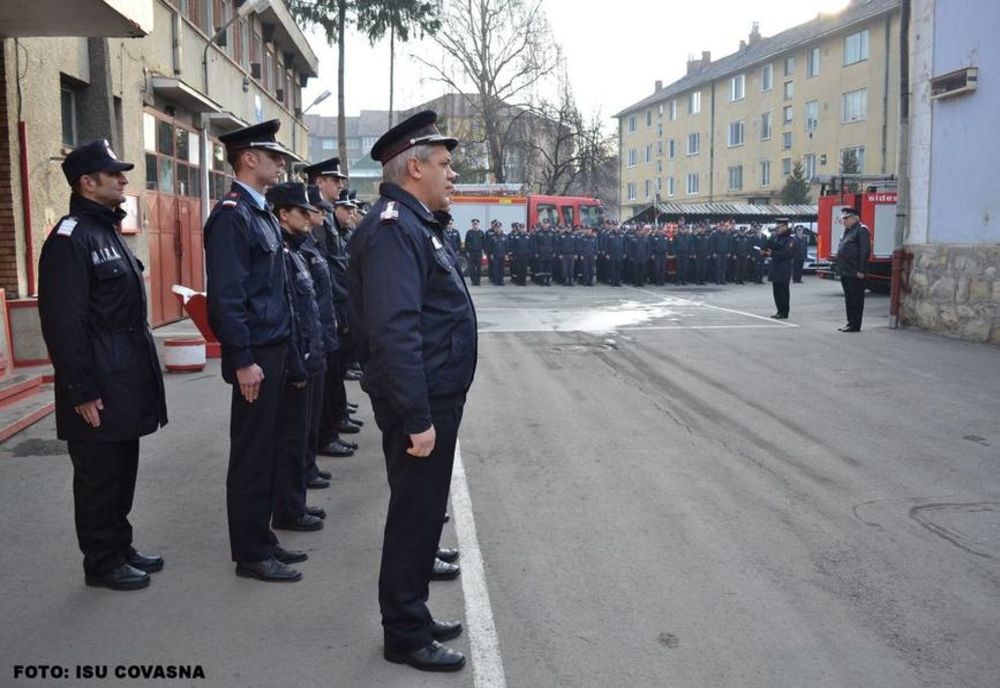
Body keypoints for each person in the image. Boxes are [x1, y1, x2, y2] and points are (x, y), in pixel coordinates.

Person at [347, 110, 477, 672]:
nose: (453, 174)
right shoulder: (393, 229)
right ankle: (404, 632)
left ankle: (415, 614)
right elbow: (395, 332)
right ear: (414, 167)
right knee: (413, 516)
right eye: (445, 164)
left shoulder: (416, 224)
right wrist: (417, 416)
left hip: (434, 393)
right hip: (419, 400)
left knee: (424, 516)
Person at [38, 139, 168, 591]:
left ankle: (120, 544)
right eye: (114, 174)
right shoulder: (70, 238)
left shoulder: (106, 231)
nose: (123, 180)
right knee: (98, 475)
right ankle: (101, 560)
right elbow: (63, 322)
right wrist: (81, 389)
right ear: (87, 183)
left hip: (124, 375)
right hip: (97, 378)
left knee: (122, 467)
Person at [203, 119, 306, 582]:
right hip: (256, 355)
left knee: (268, 450)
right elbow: (227, 298)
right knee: (251, 454)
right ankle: (250, 553)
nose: (280, 162)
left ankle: (263, 539)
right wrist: (242, 359)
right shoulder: (232, 216)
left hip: (275, 348)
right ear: (248, 158)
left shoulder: (260, 212)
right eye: (273, 155)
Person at [266, 182, 328, 532]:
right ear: (283, 214)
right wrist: (296, 363)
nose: (309, 217)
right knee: (289, 440)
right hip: (296, 361)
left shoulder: (297, 250)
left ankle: (295, 503)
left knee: (301, 435)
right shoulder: (283, 254)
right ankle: (288, 510)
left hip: (310, 354)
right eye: (302, 212)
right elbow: (287, 315)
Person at [302, 158, 358, 458]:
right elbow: (324, 271)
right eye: (334, 180)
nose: (340, 185)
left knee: (332, 374)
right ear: (319, 181)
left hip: (333, 306)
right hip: (324, 309)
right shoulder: (316, 221)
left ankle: (333, 422)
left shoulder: (326, 219)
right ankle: (326, 433)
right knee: (324, 379)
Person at [836, 207, 871, 332]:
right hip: (846, 271)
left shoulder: (862, 230)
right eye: (843, 218)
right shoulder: (848, 231)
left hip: (855, 271)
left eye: (846, 218)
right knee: (849, 298)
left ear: (854, 218)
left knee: (856, 299)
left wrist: (861, 269)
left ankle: (855, 325)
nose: (844, 221)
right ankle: (850, 322)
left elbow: (865, 251)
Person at [765, 218, 796, 319]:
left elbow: (787, 254)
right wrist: (765, 252)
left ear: (785, 227)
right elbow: (772, 249)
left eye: (779, 227)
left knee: (783, 292)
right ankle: (779, 311)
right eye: (777, 227)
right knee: (776, 291)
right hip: (775, 268)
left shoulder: (790, 240)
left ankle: (784, 312)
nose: (777, 229)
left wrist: (772, 253)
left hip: (784, 269)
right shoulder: (776, 238)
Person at [464, 219, 485, 285]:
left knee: (478, 267)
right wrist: (467, 251)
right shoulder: (469, 232)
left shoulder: (481, 232)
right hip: (471, 252)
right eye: (474, 224)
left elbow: (484, 243)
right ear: (472, 225)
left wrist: (484, 251)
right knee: (472, 268)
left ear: (478, 224)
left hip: (479, 252)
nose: (475, 225)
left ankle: (478, 280)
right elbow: (466, 242)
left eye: (476, 224)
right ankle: (473, 280)